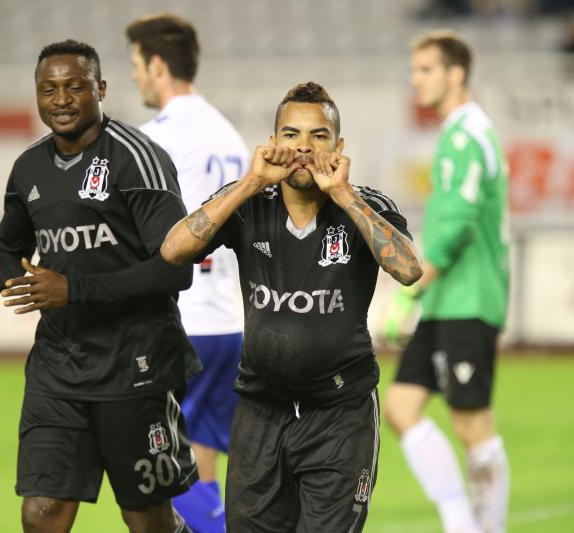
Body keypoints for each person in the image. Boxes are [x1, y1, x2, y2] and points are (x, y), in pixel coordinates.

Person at [0, 39, 198, 533]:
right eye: (48, 89)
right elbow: (8, 255)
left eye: (74, 86)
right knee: (41, 514)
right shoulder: (28, 169)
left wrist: (74, 290)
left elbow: (176, 270)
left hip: (136, 367)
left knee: (147, 520)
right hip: (58, 372)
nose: (60, 99)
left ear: (100, 89)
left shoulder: (137, 159)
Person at [160, 81, 423, 532]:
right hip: (260, 412)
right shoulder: (248, 203)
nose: (303, 147)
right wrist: (249, 183)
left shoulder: (365, 205)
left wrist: (343, 195)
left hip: (340, 417)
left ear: (338, 146)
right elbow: (172, 250)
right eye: (291, 135)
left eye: (318, 136)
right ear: (273, 142)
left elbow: (408, 269)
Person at [384, 30, 511, 533]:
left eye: (426, 70)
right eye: (415, 70)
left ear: (455, 73)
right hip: (446, 301)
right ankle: (463, 523)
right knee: (400, 406)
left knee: (472, 424)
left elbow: (456, 228)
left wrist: (408, 288)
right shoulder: (461, 133)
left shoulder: (466, 135)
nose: (415, 80)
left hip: (467, 298)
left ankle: (484, 528)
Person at [125, 13, 248, 532]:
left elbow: (135, 236)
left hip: (181, 324)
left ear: (157, 65)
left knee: (153, 474)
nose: (133, 76)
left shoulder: (157, 139)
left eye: (136, 65)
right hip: (228, 321)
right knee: (200, 470)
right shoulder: (228, 133)